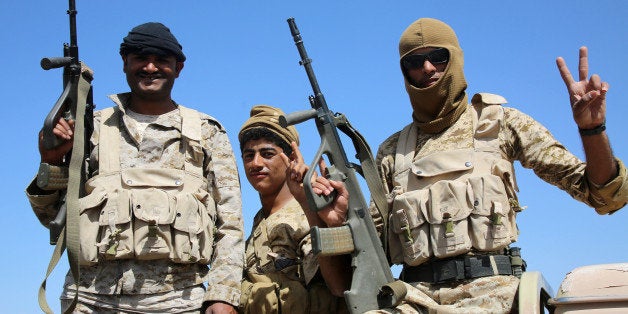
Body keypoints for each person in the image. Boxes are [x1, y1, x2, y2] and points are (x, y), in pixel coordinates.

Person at [287, 17, 628, 313]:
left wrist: (591, 129)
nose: (428, 68)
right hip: (415, 300)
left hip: (496, 296)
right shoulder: (392, 151)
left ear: (456, 58)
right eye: (415, 62)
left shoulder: (501, 123)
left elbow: (605, 196)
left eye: (438, 57)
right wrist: (335, 222)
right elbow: (360, 271)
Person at [26, 22, 244, 313]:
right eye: (141, 57)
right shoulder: (91, 128)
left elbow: (230, 222)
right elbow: (54, 219)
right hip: (90, 300)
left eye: (161, 60)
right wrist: (51, 161)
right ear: (124, 63)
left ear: (178, 67)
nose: (150, 67)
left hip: (178, 301)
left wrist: (223, 295)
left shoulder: (206, 132)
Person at [237, 105, 348, 313]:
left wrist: (310, 206)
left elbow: (338, 285)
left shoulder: (305, 213)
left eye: (267, 153)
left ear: (292, 158)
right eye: (248, 155)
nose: (256, 163)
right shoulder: (260, 221)